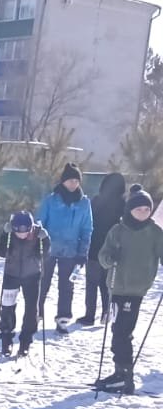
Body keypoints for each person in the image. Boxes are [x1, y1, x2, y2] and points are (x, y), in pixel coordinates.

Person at [95, 185, 163, 395]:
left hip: (136, 289)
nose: (143, 213)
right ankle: (120, 372)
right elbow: (103, 256)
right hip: (116, 286)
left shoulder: (155, 232)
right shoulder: (118, 230)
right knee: (118, 330)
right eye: (139, 209)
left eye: (146, 209)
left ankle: (125, 377)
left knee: (123, 332)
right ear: (130, 210)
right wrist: (109, 259)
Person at [37, 161, 92, 331]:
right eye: (70, 180)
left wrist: (83, 252)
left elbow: (87, 228)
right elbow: (39, 223)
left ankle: (63, 318)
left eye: (76, 181)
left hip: (70, 251)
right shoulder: (51, 200)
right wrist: (38, 245)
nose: (74, 184)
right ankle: (35, 313)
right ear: (63, 181)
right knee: (42, 283)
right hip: (48, 249)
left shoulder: (84, 203)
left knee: (67, 286)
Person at [0, 210, 49, 357]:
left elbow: (45, 254)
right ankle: (6, 340)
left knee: (31, 309)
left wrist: (45, 239)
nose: (22, 234)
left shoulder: (37, 235)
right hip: (11, 275)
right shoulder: (10, 235)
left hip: (32, 276)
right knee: (7, 307)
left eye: (25, 230)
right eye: (18, 231)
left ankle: (26, 341)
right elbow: (1, 252)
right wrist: (4, 234)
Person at [78, 171, 126, 326]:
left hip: (94, 247)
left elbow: (87, 222)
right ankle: (106, 313)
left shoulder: (96, 201)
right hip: (112, 250)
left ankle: (89, 315)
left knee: (91, 283)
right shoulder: (123, 204)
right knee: (107, 284)